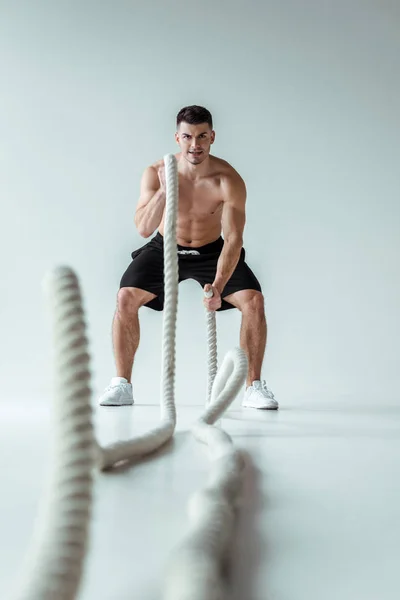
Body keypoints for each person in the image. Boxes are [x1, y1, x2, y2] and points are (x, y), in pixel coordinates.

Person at [98, 105, 278, 410]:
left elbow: (233, 238)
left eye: (202, 136)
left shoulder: (227, 179)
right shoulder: (156, 172)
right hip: (164, 247)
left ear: (212, 137)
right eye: (188, 137)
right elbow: (143, 228)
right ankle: (122, 384)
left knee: (254, 302)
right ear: (177, 138)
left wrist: (219, 286)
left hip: (212, 250)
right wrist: (165, 192)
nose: (195, 145)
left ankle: (254, 387)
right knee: (126, 297)